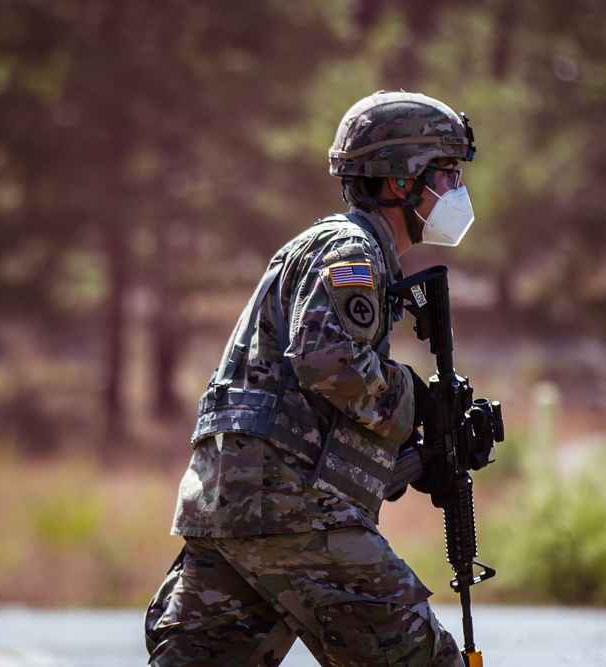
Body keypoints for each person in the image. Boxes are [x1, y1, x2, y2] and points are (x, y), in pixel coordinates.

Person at [145, 91, 479, 666]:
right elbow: (328, 362)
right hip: (287, 507)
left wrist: (415, 459)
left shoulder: (328, 247)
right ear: (401, 180)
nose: (456, 189)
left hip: (229, 508)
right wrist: (417, 404)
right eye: (446, 171)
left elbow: (301, 407)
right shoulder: (352, 250)